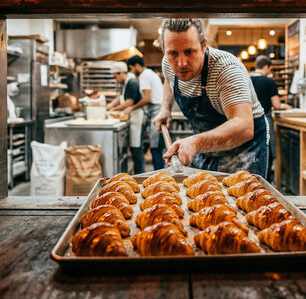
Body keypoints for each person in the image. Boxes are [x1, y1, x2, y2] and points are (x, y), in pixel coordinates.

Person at [152, 19, 269, 178]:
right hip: (206, 148)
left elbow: (244, 126)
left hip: (243, 150)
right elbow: (169, 78)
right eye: (173, 53)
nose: (181, 63)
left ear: (203, 45)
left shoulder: (226, 69)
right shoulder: (168, 63)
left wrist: (194, 143)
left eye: (189, 52)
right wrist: (165, 108)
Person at [250, 55, 292, 182]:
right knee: (266, 152)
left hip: (247, 120)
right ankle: (264, 183)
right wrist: (287, 107)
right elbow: (276, 104)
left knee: (250, 152)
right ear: (267, 67)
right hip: (263, 120)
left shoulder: (246, 79)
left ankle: (249, 182)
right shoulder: (269, 81)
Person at [125, 55, 165, 170]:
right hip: (158, 112)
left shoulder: (144, 76)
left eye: (132, 68)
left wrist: (132, 108)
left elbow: (147, 98)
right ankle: (160, 176)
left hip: (156, 114)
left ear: (137, 66)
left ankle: (159, 177)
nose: (132, 71)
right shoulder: (151, 73)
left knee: (156, 149)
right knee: (158, 148)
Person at [106, 61, 145, 173]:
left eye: (115, 76)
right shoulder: (126, 82)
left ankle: (141, 176)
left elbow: (129, 102)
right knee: (134, 150)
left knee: (137, 150)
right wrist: (111, 104)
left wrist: (114, 109)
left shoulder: (132, 82)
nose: (115, 79)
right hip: (131, 118)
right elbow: (121, 97)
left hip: (136, 118)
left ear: (121, 73)